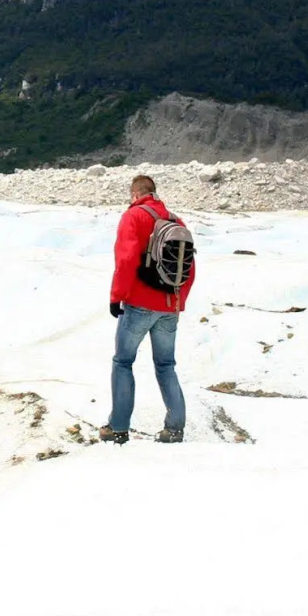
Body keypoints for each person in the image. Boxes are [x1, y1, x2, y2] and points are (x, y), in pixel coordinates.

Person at [100, 174, 196, 445]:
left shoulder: (133, 216)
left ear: (134, 194)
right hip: (170, 306)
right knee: (166, 365)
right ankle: (175, 429)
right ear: (154, 192)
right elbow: (190, 268)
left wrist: (116, 296)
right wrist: (177, 302)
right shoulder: (176, 221)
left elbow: (127, 259)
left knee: (123, 362)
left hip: (140, 305)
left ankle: (118, 428)